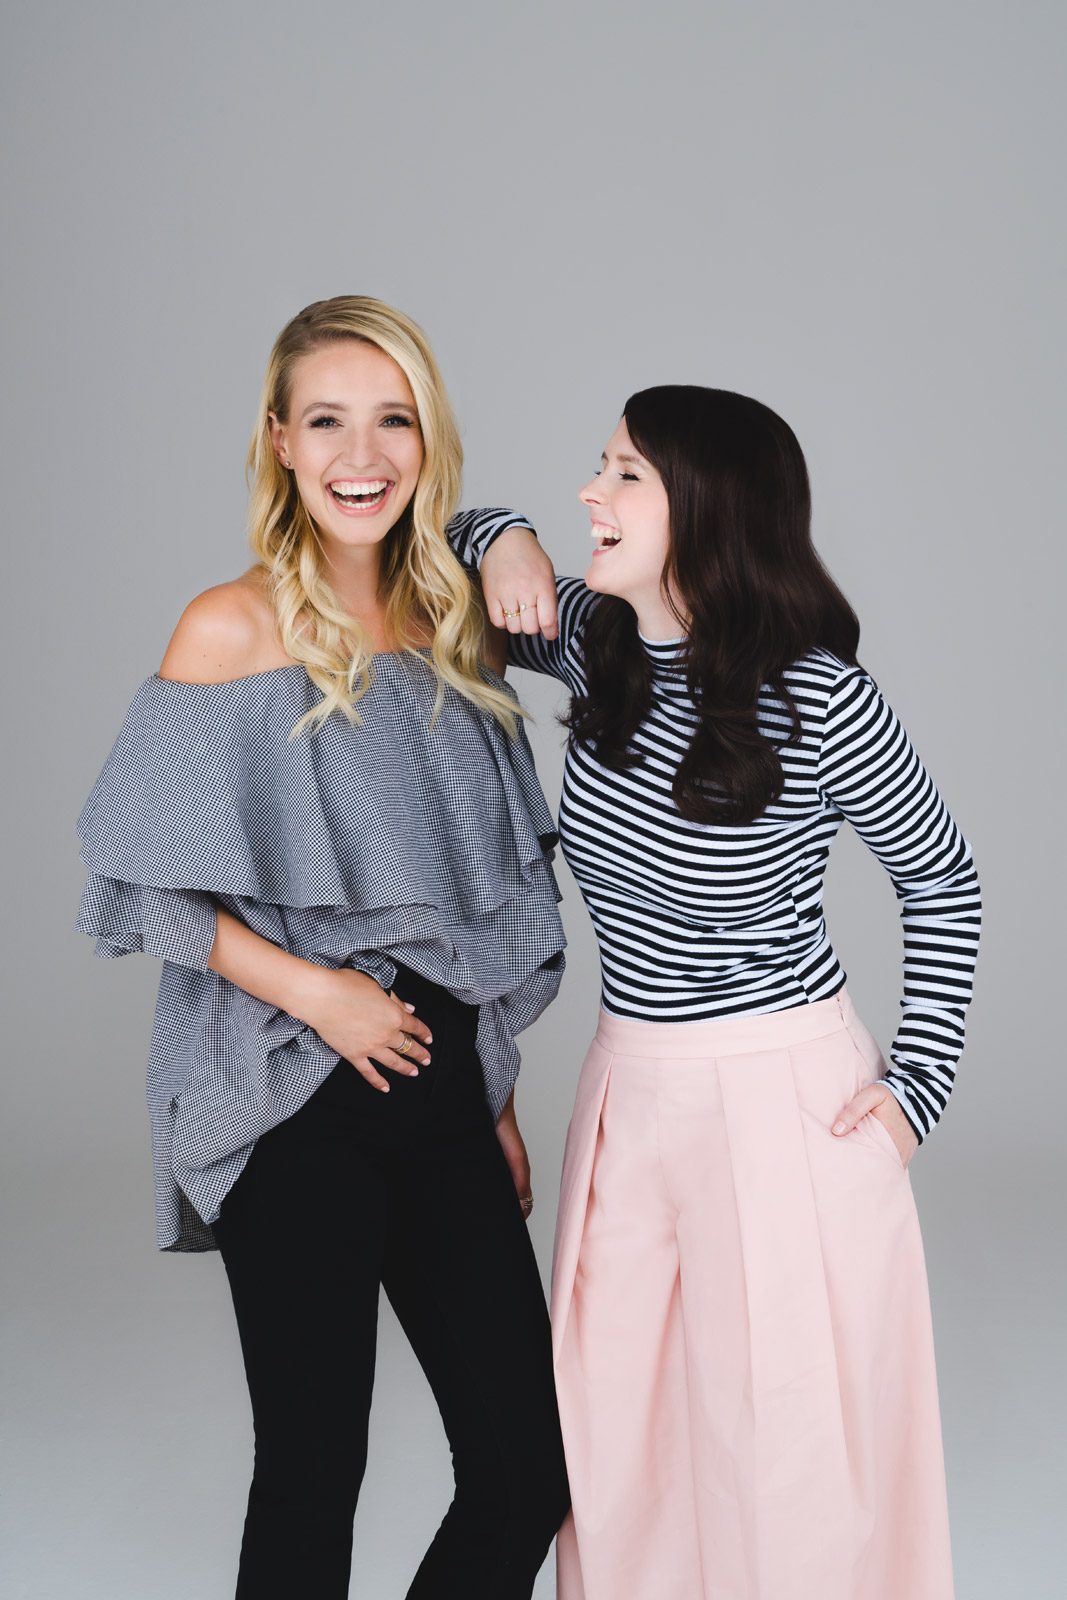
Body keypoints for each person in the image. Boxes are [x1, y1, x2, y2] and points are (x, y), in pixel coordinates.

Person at [449, 385, 981, 1600]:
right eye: (597, 466)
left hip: (778, 1100)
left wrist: (918, 1087)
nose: (590, 492)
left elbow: (941, 878)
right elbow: (419, 545)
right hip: (626, 1091)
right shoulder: (593, 637)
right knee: (612, 1438)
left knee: (780, 1457)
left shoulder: (815, 692)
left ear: (707, 504)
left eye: (623, 473)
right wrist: (504, 536)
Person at [75, 296, 570, 1599]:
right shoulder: (227, 629)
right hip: (293, 1085)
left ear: (427, 440)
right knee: (313, 1471)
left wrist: (492, 1090)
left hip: (444, 1083)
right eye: (328, 421)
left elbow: (470, 901)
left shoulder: (456, 625)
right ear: (279, 441)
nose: (362, 455)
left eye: (392, 420)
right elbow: (139, 887)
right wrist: (320, 996)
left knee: (524, 1473)